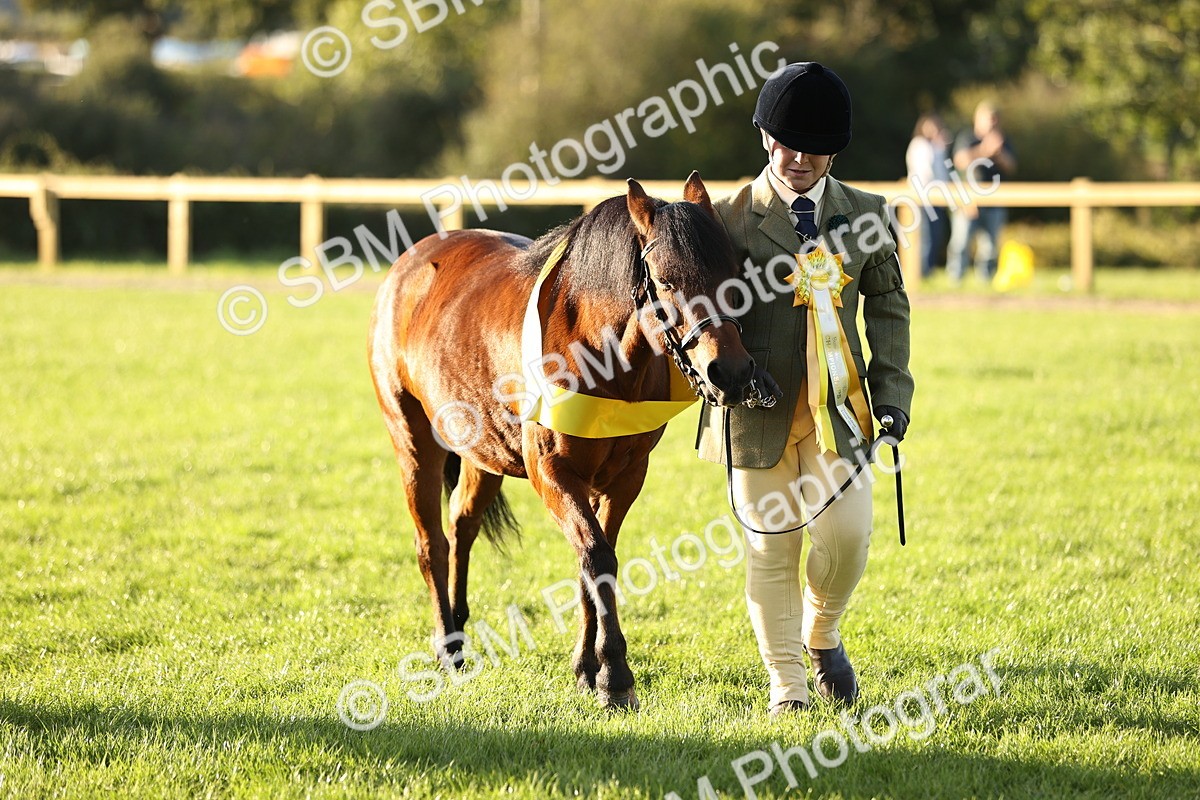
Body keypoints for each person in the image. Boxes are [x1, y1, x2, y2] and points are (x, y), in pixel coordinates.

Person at [695, 62, 915, 716]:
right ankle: (787, 686)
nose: (797, 158)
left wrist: (893, 396)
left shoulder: (867, 216)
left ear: (833, 152)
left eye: (813, 149)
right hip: (753, 413)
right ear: (766, 139)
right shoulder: (729, 219)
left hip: (838, 413)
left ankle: (824, 634)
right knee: (771, 546)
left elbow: (890, 308)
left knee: (847, 538)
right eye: (786, 144)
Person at [946, 102, 1017, 283]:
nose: (992, 124)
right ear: (977, 119)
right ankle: (955, 280)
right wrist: (984, 150)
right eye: (988, 119)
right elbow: (960, 161)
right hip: (968, 201)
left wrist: (998, 153)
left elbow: (1012, 167)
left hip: (994, 202)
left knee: (990, 247)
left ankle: (986, 281)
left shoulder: (1003, 140)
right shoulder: (967, 138)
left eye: (995, 120)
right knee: (960, 243)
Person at [906, 113, 951, 277]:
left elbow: (943, 172)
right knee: (924, 237)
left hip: (935, 198)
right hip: (922, 198)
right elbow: (927, 172)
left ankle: (928, 270)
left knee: (935, 235)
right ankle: (921, 271)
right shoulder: (920, 145)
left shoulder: (936, 147)